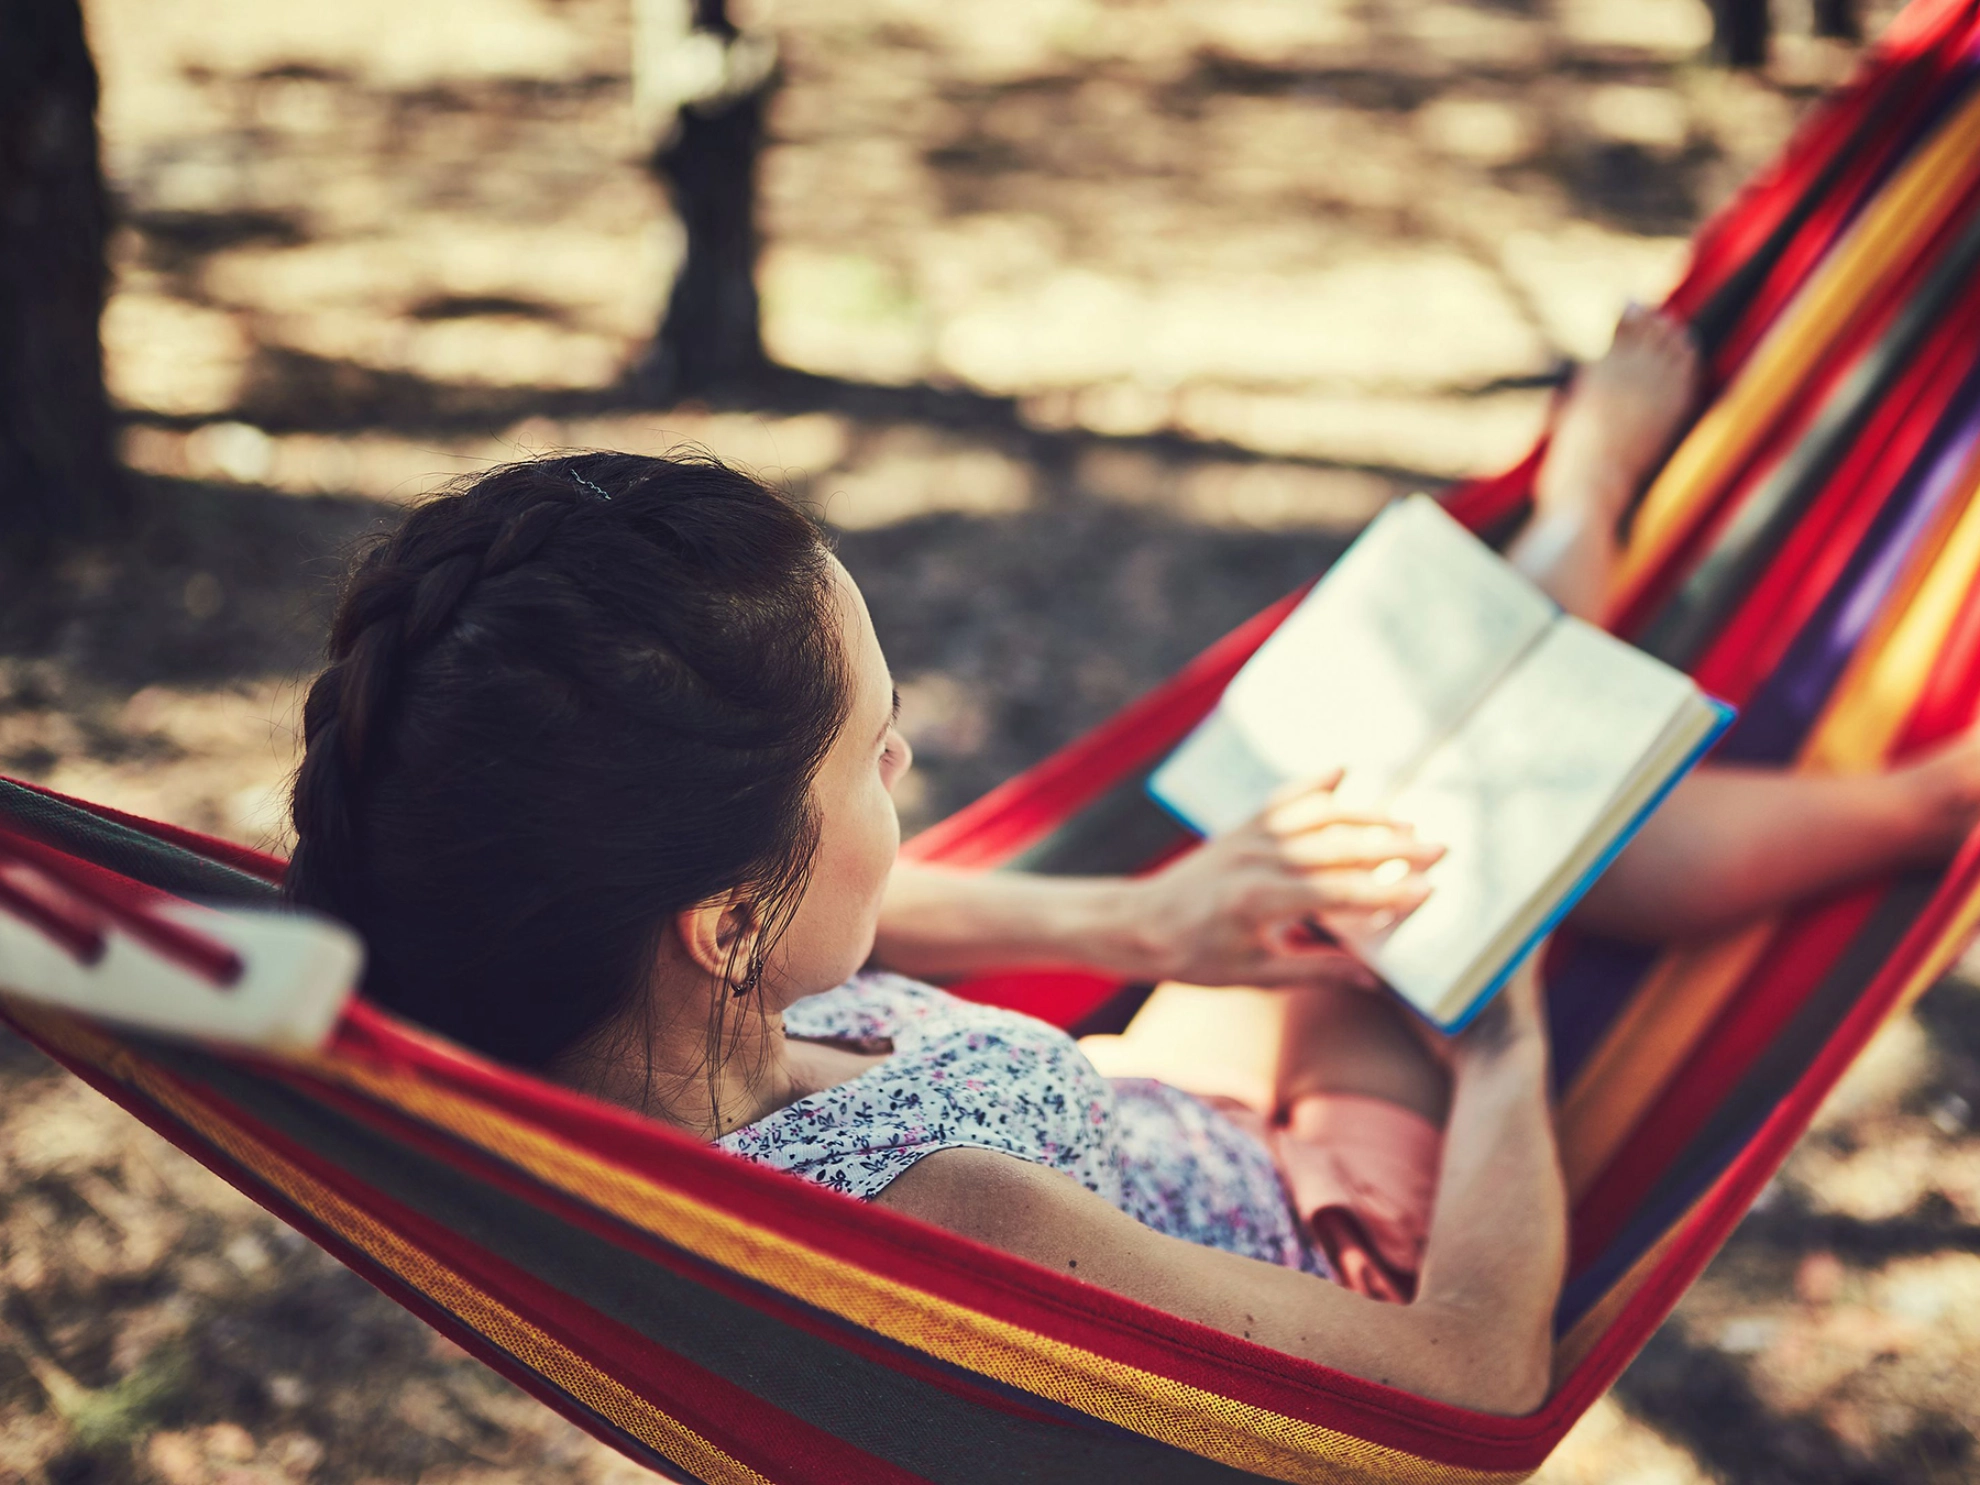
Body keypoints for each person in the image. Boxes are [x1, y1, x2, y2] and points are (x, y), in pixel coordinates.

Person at [284, 308, 1980, 1417]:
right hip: (1325, 1223)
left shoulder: (566, 1003)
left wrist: (1146, 912)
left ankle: (1576, 521)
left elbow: (852, 928)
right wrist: (1507, 1034)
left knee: (1363, 801)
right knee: (1504, 835)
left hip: (1154, 1105)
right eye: (876, 749)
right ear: (729, 917)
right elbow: (1474, 1376)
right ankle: (1922, 801)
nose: (908, 765)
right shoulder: (955, 1218)